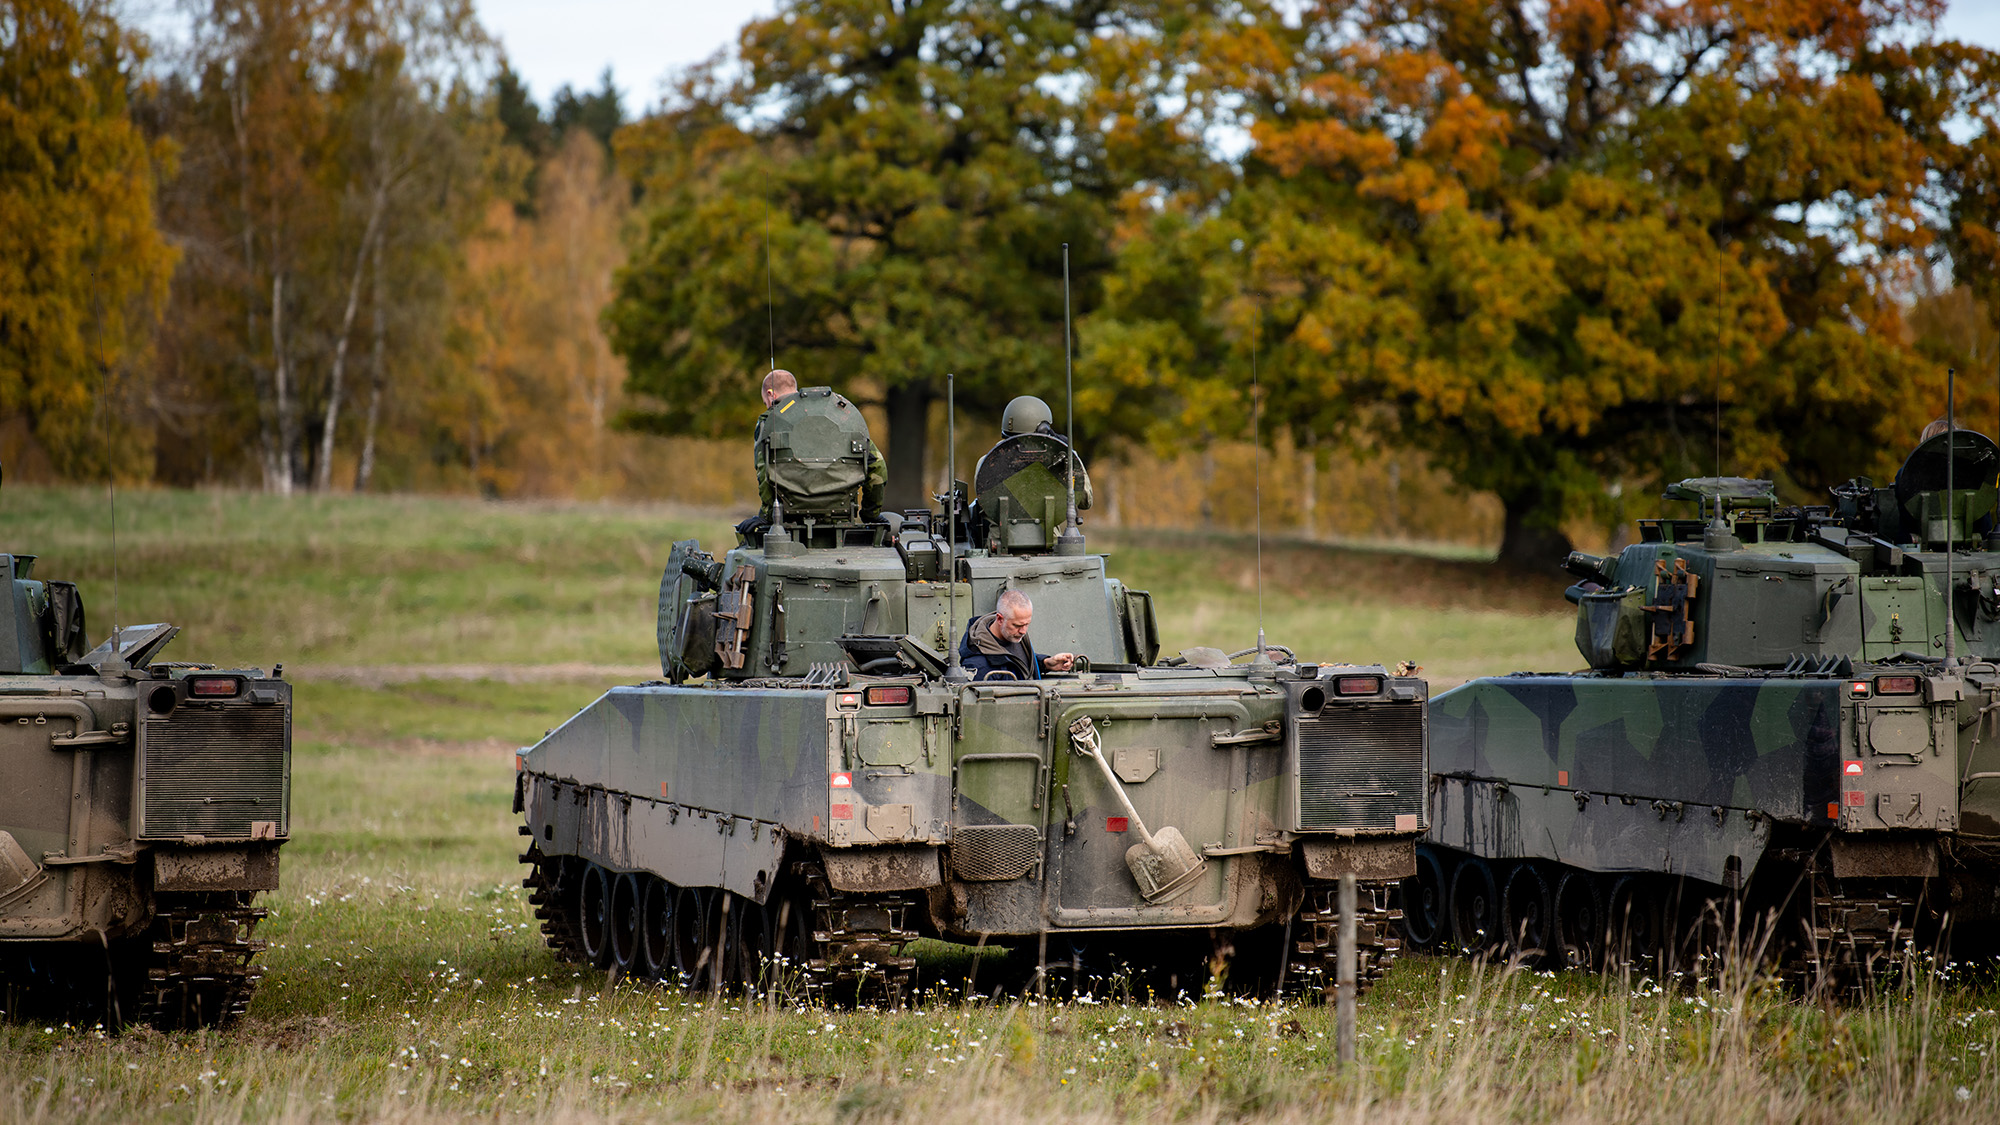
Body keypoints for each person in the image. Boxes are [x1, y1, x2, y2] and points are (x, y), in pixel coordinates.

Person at [746, 369, 887, 527]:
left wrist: (767, 515)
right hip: (841, 519)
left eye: (765, 402)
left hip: (790, 522)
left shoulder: (769, 422)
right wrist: (870, 513)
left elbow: (764, 471)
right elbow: (878, 467)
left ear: (771, 394)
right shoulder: (842, 419)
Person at [957, 589, 1076, 680]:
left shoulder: (1012, 634)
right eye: (1018, 625)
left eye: (1027, 624)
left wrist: (1046, 663)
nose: (1023, 631)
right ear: (999, 619)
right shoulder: (980, 667)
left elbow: (1018, 662)